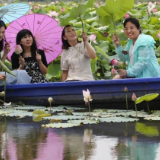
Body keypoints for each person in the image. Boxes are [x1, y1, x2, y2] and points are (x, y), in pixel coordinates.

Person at [0, 20, 31, 86]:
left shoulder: (39, 52)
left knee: (22, 73)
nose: (1, 35)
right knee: (21, 74)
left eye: (3, 32)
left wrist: (5, 53)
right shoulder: (14, 56)